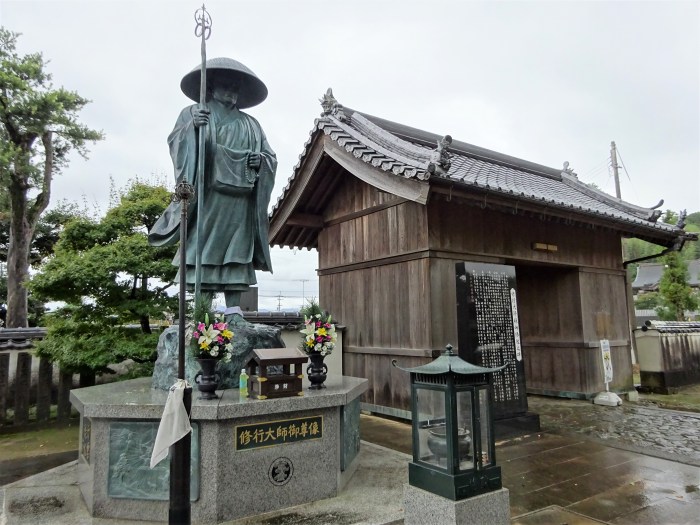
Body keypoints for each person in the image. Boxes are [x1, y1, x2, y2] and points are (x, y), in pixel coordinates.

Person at [149, 58, 276, 312]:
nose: (231, 92)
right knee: (205, 249)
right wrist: (192, 128)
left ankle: (233, 311)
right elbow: (177, 142)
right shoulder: (194, 112)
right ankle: (201, 311)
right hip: (208, 196)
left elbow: (269, 157)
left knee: (237, 252)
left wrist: (259, 161)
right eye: (226, 86)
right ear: (212, 87)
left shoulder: (252, 124)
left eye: (235, 88)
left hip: (240, 200)